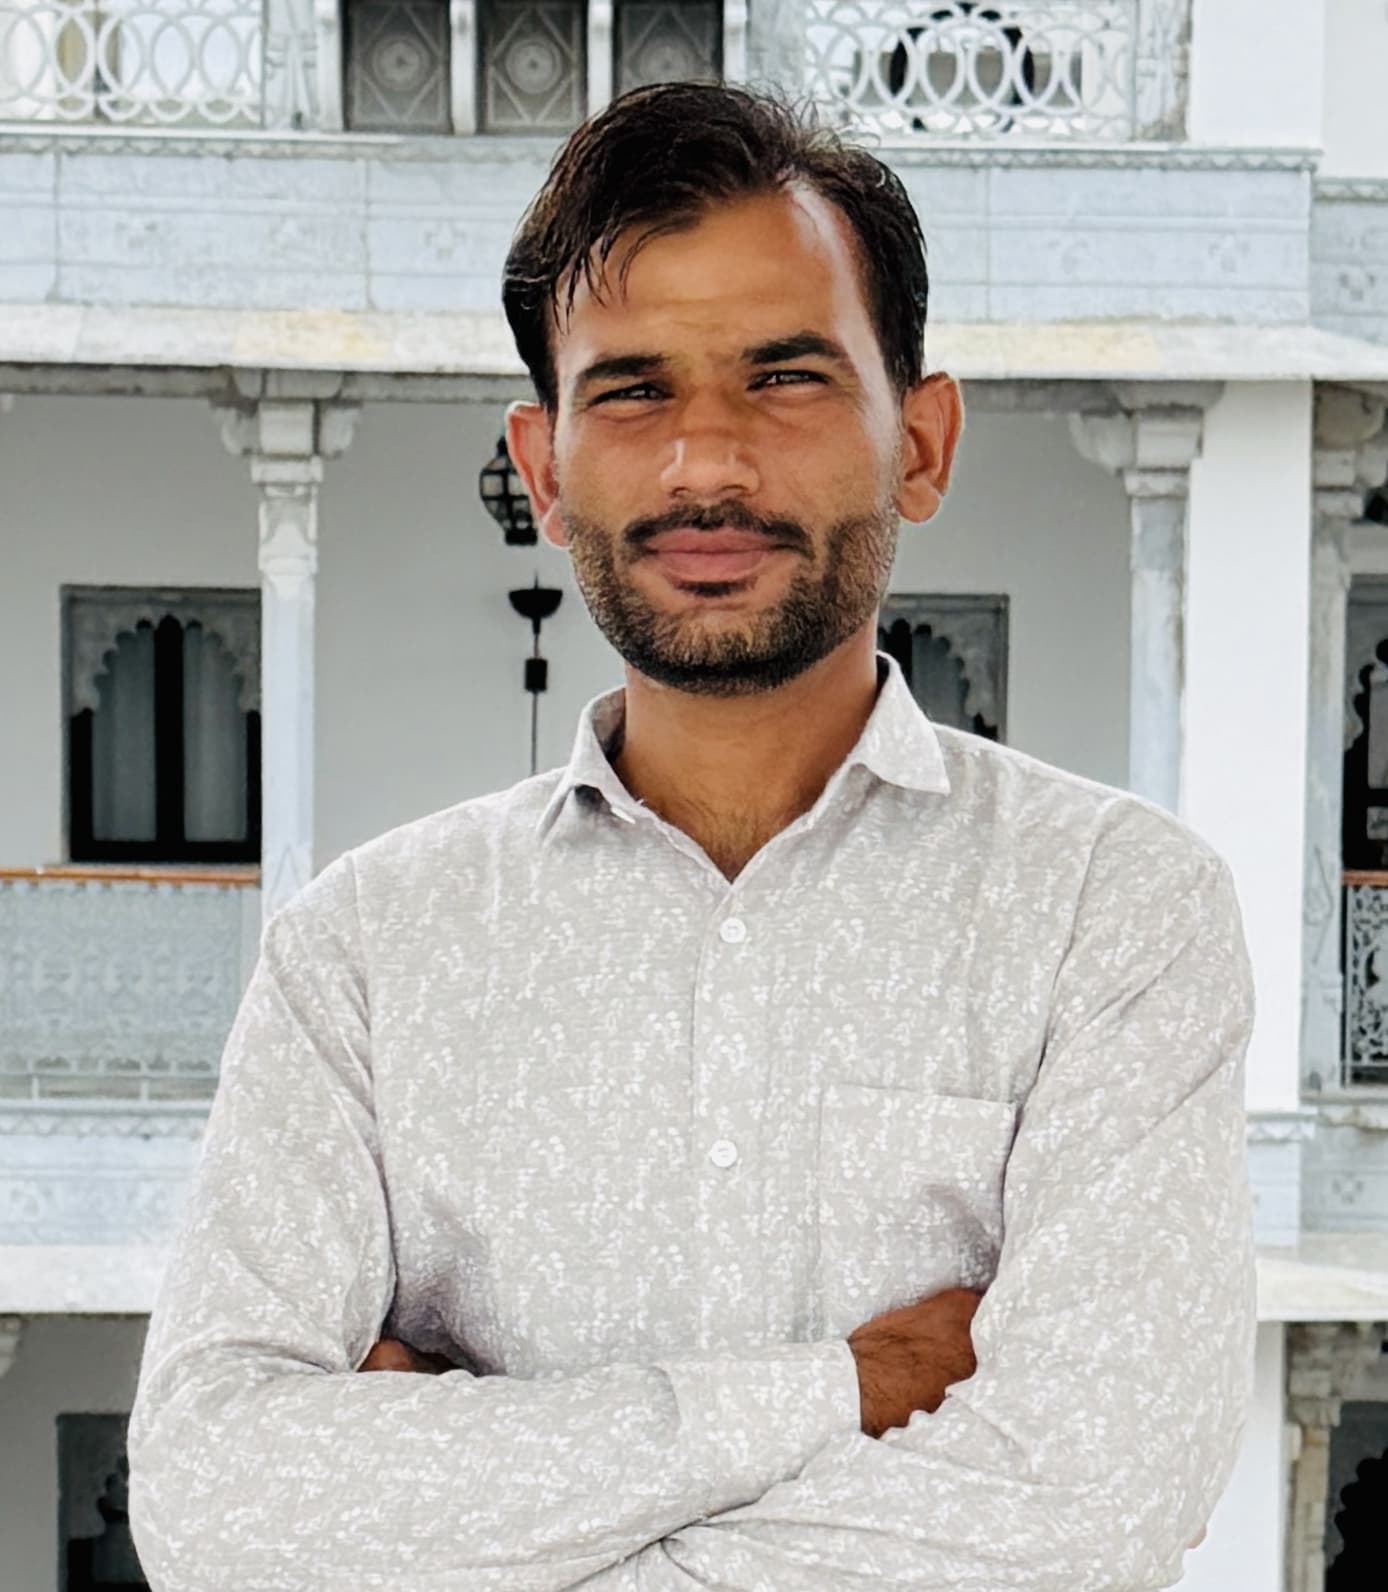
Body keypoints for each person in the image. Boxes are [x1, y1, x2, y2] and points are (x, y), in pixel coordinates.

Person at [126, 80, 1253, 1590]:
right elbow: (217, 1504)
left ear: (920, 443)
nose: (704, 464)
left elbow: (1089, 1501)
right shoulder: (369, 952)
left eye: (784, 377)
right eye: (634, 391)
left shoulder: (1111, 912)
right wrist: (841, 1388)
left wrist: (459, 1505)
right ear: (543, 468)